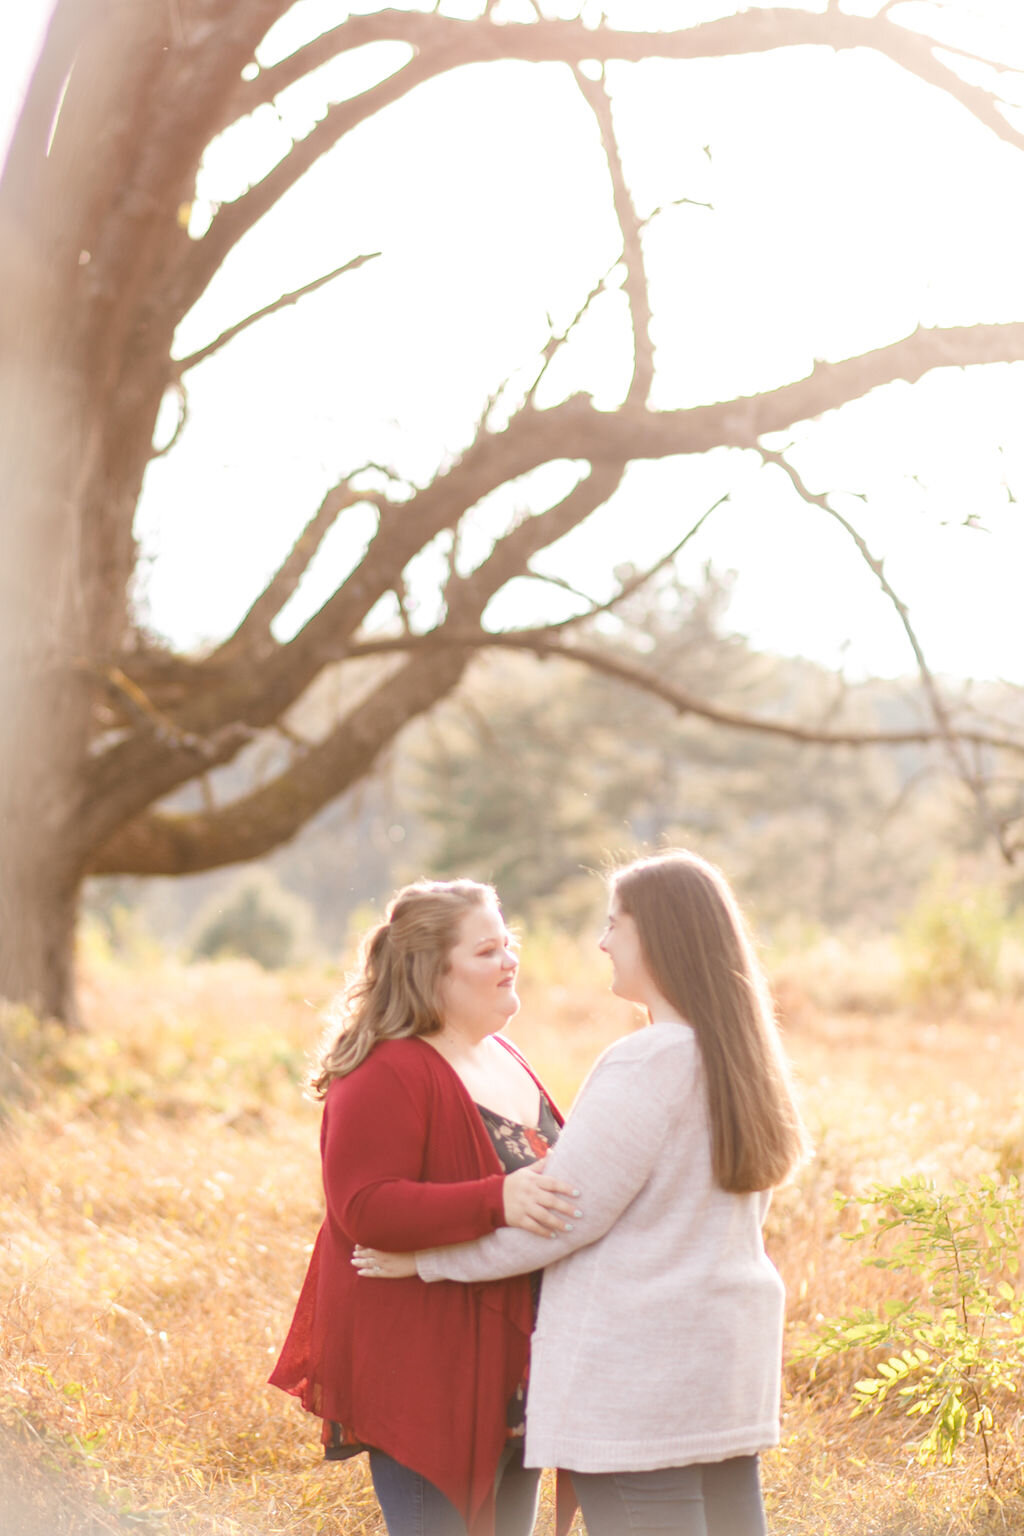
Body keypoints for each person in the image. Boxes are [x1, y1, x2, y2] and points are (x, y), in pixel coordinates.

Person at [354, 850, 809, 1536]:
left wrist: (426, 1263)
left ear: (660, 936)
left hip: (642, 1382)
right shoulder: (740, 1058)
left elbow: (562, 1218)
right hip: (726, 1370)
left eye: (614, 924)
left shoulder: (649, 1060)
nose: (602, 943)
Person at [269, 879, 579, 1536]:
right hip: (428, 1366)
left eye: (509, 943)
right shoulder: (386, 1068)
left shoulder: (504, 1054)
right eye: (487, 950)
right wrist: (499, 1198)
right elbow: (365, 1207)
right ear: (430, 971)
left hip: (514, 1358)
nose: (510, 960)